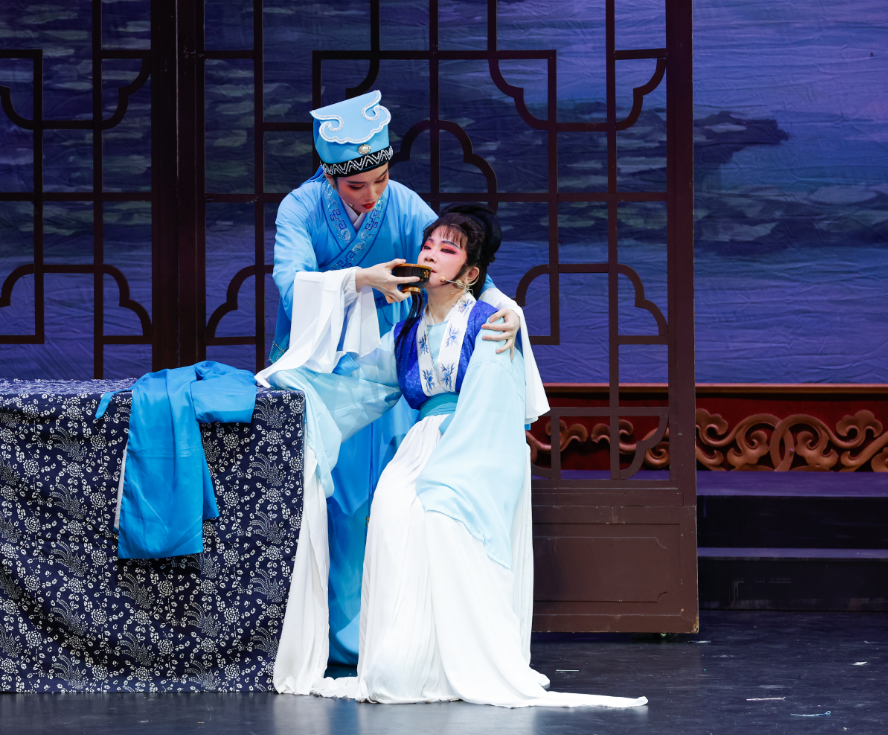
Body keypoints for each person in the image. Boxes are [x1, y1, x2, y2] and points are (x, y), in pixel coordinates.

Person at [261, 205, 647, 708]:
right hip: (421, 446)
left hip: (474, 447)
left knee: (438, 521)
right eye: (427, 246)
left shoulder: (492, 323)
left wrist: (450, 465)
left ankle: (456, 664)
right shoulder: (406, 331)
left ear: (470, 274)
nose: (430, 255)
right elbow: (357, 383)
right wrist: (287, 383)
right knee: (390, 516)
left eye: (447, 250)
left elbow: (493, 407)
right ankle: (402, 664)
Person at [271, 90, 533, 666]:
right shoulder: (299, 208)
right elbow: (292, 289)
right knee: (334, 504)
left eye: (381, 179)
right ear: (329, 175)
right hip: (324, 364)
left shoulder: (404, 203)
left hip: (387, 365)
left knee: (384, 500)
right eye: (355, 185)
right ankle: (331, 640)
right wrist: (360, 278)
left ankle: (388, 641)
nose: (372, 195)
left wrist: (507, 308)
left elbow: (465, 263)